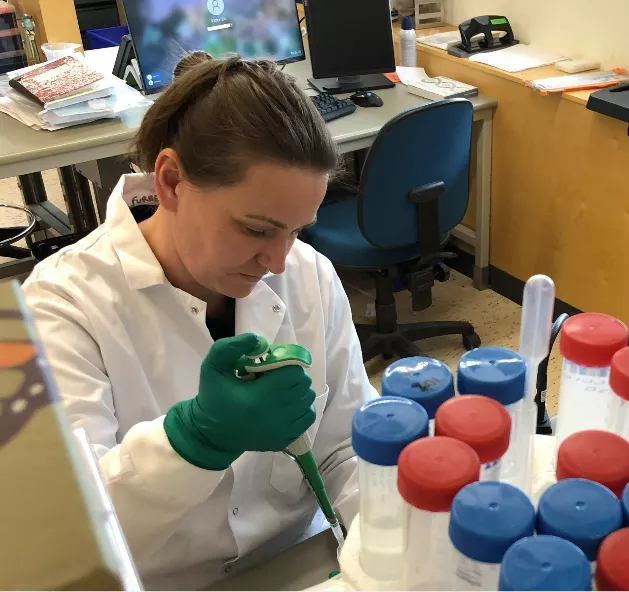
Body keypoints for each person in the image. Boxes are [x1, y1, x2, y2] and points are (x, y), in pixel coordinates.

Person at [21, 51, 377, 590]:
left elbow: (347, 447)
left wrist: (388, 536)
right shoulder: (60, 305)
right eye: (257, 229)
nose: (279, 261)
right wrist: (192, 443)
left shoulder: (310, 274)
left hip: (298, 566)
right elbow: (66, 545)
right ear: (169, 181)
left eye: (296, 230)